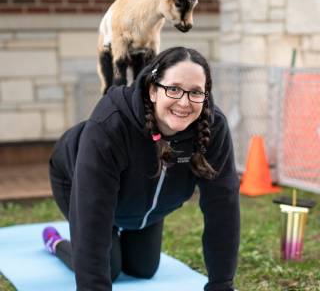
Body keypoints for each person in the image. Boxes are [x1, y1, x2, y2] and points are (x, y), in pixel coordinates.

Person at [43, 46, 240, 291]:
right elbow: (92, 215)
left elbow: (223, 207)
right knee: (109, 268)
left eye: (196, 92)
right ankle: (56, 243)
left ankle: (121, 238)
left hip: (143, 196)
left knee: (142, 269)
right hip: (78, 180)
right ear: (153, 90)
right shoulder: (110, 124)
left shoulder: (213, 128)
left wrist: (221, 285)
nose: (184, 101)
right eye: (174, 88)